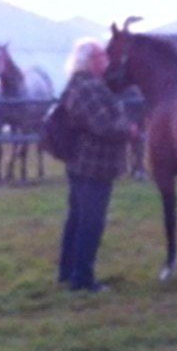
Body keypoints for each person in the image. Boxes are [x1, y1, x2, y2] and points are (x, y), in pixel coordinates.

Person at [57, 38, 137, 293]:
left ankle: (67, 271)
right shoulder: (90, 88)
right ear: (90, 60)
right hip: (94, 164)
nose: (107, 60)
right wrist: (128, 129)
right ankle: (82, 278)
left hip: (79, 162)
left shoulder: (77, 84)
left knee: (77, 219)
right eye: (102, 56)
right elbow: (103, 126)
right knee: (91, 222)